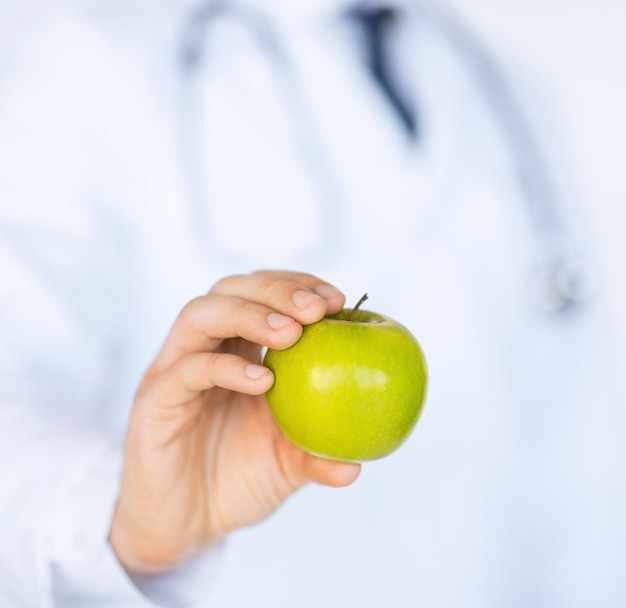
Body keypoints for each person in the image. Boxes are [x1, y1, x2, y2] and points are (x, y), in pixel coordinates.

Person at [0, 0, 624, 606]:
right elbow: (14, 380)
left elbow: (578, 447)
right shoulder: (84, 58)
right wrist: (121, 526)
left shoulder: (503, 87)